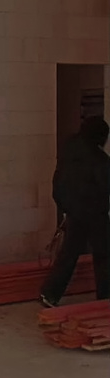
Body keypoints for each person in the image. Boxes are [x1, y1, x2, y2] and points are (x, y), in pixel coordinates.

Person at [40, 115, 110, 307]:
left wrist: (64, 207)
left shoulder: (68, 149)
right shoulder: (99, 159)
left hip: (74, 212)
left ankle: (50, 294)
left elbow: (58, 181)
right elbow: (105, 186)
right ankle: (105, 297)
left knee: (68, 255)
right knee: (103, 255)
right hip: (95, 213)